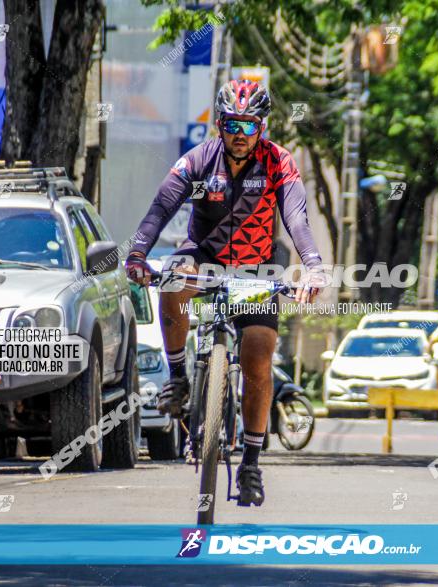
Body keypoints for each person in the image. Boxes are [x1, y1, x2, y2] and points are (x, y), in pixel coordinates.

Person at [125, 79, 323, 508]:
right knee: (174, 278)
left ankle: (251, 461)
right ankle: (178, 380)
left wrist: (311, 266)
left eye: (249, 127)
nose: (239, 134)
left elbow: (296, 216)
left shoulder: (278, 163)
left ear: (262, 128)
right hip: (205, 256)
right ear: (219, 123)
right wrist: (138, 253)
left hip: (256, 267)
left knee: (257, 358)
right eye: (232, 124)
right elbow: (162, 206)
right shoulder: (198, 160)